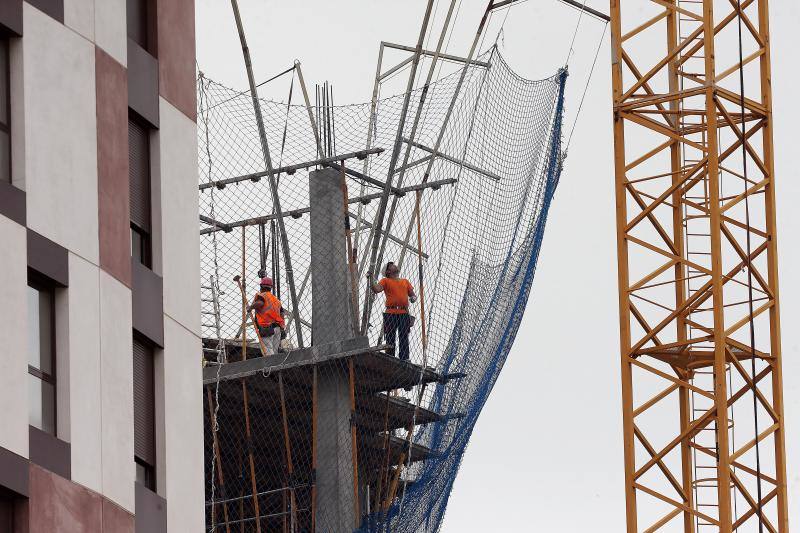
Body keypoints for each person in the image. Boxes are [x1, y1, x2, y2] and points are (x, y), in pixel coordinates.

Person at [369, 262, 416, 361]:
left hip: (403, 313)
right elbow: (377, 289)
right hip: (391, 312)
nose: (395, 266)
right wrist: (371, 280)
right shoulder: (385, 281)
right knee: (390, 336)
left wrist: (413, 297)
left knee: (404, 336)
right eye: (392, 266)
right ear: (388, 271)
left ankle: (404, 358)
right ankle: (390, 357)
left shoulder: (405, 281)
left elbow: (412, 294)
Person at [248, 277, 286, 356]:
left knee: (267, 349)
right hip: (277, 328)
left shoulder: (262, 295)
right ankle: (275, 366)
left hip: (267, 327)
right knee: (274, 351)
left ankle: (271, 366)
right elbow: (282, 313)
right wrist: (282, 326)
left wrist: (250, 307)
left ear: (261, 286)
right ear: (271, 288)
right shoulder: (276, 300)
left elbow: (260, 303)